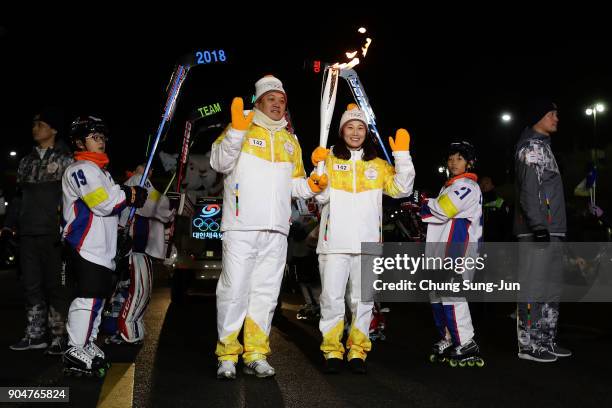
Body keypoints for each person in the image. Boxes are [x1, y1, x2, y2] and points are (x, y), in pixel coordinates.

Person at [210, 75, 325, 379]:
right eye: (271, 98)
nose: (277, 104)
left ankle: (256, 352)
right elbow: (219, 163)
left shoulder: (290, 140)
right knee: (234, 290)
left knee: (266, 294)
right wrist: (236, 130)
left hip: (277, 229)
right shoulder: (241, 128)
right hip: (241, 225)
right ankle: (227, 354)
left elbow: (296, 185)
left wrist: (313, 184)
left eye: (282, 99)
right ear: (258, 102)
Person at [311, 104, 415, 374]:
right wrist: (317, 172)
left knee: (362, 300)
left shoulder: (378, 165)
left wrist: (402, 155)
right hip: (334, 243)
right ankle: (332, 350)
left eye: (360, 128)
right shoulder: (330, 159)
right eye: (350, 127)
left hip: (368, 243)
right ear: (342, 130)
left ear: (366, 133)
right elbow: (319, 197)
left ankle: (357, 350)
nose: (355, 132)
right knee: (332, 299)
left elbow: (402, 189)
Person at [61, 116, 147, 377]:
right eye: (94, 137)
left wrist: (122, 230)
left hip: (103, 249)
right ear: (79, 142)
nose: (100, 141)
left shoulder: (102, 172)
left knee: (98, 299)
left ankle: (87, 341)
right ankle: (74, 347)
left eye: (102, 137)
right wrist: (129, 194)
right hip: (84, 246)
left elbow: (111, 210)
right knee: (87, 298)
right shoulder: (81, 169)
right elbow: (102, 203)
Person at [6, 107, 74, 355]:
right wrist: (8, 225)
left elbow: (74, 199)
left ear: (53, 129)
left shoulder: (67, 160)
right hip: (28, 232)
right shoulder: (26, 161)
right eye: (34, 125)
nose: (35, 129)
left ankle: (58, 336)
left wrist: (68, 229)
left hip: (54, 234)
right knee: (31, 285)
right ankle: (35, 335)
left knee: (56, 286)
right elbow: (18, 198)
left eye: (41, 124)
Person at [514, 100, 571, 362]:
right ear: (538, 116)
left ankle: (545, 340)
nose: (557, 118)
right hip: (538, 230)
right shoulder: (532, 148)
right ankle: (528, 345)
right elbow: (528, 190)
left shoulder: (544, 147)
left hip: (553, 229)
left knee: (550, 288)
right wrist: (538, 227)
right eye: (552, 114)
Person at [420, 141, 484, 367]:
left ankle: (466, 341)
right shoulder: (449, 186)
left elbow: (444, 209)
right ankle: (449, 337)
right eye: (450, 158)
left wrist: (423, 204)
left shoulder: (467, 185)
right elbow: (438, 213)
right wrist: (428, 206)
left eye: (459, 158)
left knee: (452, 295)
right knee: (437, 295)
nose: (453, 162)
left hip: (458, 251)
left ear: (469, 162)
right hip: (441, 250)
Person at [105, 164, 175, 345]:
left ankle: (127, 328)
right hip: (132, 249)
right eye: (146, 167)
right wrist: (169, 209)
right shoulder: (137, 180)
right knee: (134, 290)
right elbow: (152, 205)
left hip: (138, 249)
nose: (149, 171)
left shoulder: (140, 182)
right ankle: (122, 330)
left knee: (134, 290)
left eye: (151, 168)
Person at [479, 176, 512, 242]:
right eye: (482, 183)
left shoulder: (500, 202)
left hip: (496, 241)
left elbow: (507, 225)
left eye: (487, 183)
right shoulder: (476, 202)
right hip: (480, 241)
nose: (483, 185)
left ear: (492, 185)